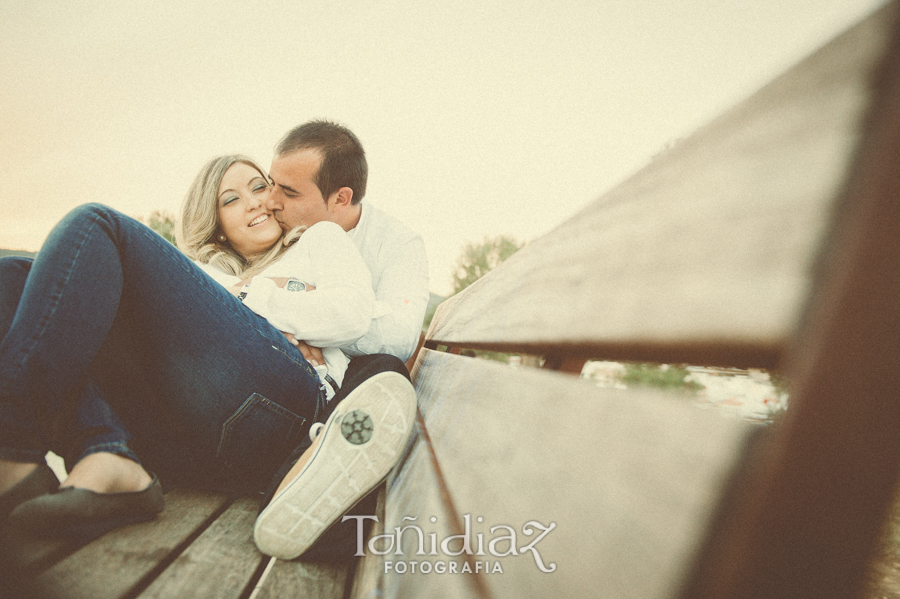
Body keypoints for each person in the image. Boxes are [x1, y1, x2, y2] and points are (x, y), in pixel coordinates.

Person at [0, 155, 417, 556]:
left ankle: (12, 447)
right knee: (12, 278)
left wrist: (254, 297)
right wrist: (269, 298)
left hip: (290, 412)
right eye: (231, 199)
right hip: (192, 446)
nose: (254, 200)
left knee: (96, 223)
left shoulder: (317, 240)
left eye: (260, 186)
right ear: (217, 227)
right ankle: (104, 449)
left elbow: (350, 316)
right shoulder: (208, 279)